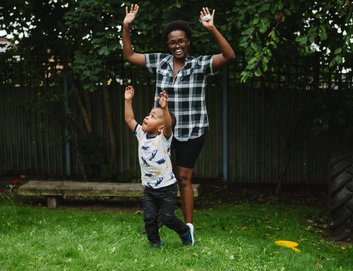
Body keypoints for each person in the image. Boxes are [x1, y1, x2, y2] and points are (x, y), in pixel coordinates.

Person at [122, 4, 235, 229]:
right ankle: (157, 221)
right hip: (162, 131)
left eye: (181, 41)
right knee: (159, 175)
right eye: (173, 42)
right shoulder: (159, 62)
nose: (177, 45)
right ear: (168, 44)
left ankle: (188, 226)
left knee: (183, 178)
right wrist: (126, 26)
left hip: (192, 131)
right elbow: (129, 55)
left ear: (188, 42)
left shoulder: (199, 65)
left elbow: (229, 55)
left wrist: (212, 28)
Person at [124, 85, 194, 247]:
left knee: (168, 217)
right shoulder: (141, 134)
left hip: (167, 188)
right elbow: (129, 119)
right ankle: (155, 243)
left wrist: (165, 108)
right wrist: (128, 100)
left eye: (153, 116)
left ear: (161, 127)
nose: (147, 117)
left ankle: (185, 231)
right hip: (149, 188)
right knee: (149, 218)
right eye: (149, 114)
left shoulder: (164, 138)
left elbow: (169, 125)